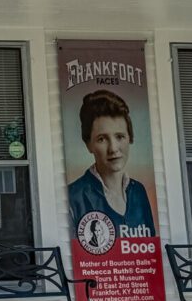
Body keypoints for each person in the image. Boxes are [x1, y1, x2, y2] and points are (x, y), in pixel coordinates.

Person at [67, 90, 156, 237]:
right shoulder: (73, 197)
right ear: (88, 144)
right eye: (102, 139)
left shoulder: (139, 191)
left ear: (130, 138)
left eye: (120, 137)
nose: (113, 149)